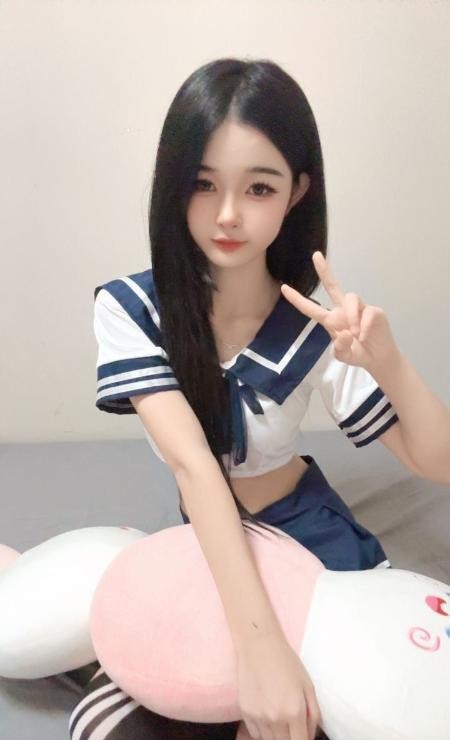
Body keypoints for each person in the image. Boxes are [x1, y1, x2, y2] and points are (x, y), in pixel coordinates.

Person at [68, 57, 450, 740]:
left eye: (259, 187)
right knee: (123, 713)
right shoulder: (133, 310)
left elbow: (435, 462)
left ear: (297, 191)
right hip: (207, 535)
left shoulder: (315, 323)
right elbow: (194, 467)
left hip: (309, 529)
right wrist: (260, 647)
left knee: (356, 704)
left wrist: (390, 363)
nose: (227, 214)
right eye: (203, 183)